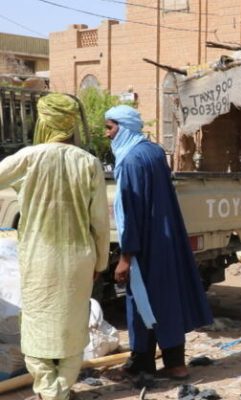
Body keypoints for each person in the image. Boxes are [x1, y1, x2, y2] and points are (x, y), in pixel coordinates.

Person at [0, 94, 110, 400]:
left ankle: (49, 391)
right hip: (79, 260)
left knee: (38, 325)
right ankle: (61, 389)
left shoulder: (27, 157)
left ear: (44, 122)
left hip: (39, 259)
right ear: (70, 124)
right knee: (71, 327)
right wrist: (100, 263)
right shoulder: (89, 163)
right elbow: (99, 222)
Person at [105, 105, 213, 381]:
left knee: (138, 297)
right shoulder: (153, 151)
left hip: (144, 244)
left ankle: (141, 362)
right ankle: (176, 363)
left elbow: (130, 213)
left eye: (110, 127)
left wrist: (126, 257)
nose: (107, 135)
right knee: (166, 298)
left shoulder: (130, 161)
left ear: (124, 127)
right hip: (165, 238)